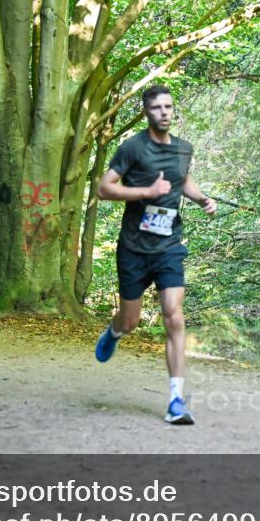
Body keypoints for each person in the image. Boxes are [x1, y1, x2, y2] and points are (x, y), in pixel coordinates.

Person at [93, 85, 217, 425]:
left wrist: (202, 199)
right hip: (134, 248)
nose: (164, 112)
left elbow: (183, 181)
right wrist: (146, 191)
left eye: (168, 107)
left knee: (173, 314)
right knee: (131, 320)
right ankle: (115, 331)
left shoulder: (183, 149)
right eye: (157, 108)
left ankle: (176, 400)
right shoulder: (132, 148)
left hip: (168, 247)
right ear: (147, 112)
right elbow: (104, 188)